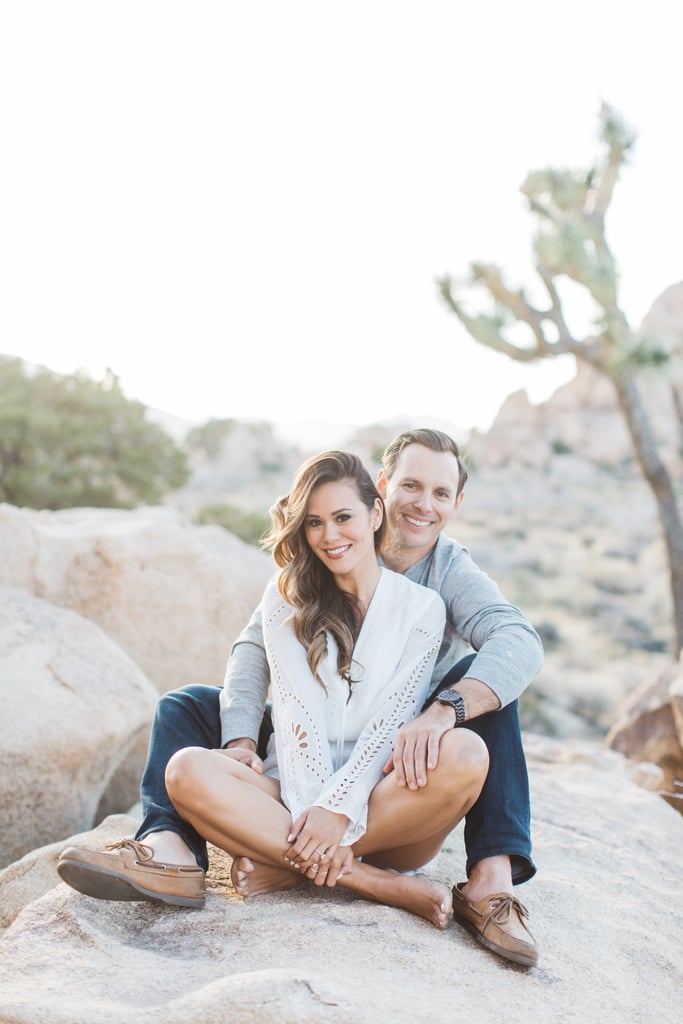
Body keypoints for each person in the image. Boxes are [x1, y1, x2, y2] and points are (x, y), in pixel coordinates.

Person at [58, 429, 543, 967]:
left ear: (455, 504)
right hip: (307, 733)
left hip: (399, 753)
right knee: (185, 707)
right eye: (411, 485)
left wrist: (441, 711)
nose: (422, 505)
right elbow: (255, 650)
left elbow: (516, 640)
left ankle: (487, 880)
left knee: (488, 683)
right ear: (382, 492)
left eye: (440, 493)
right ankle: (171, 850)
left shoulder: (441, 579)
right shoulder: (313, 562)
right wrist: (241, 740)